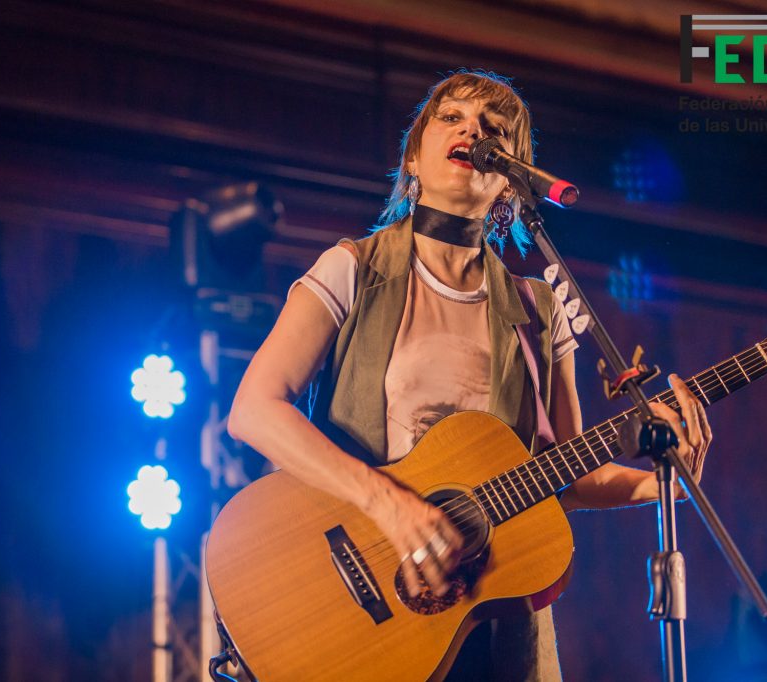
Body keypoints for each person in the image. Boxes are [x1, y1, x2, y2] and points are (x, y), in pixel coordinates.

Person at [227, 69, 712, 681]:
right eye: (451, 117)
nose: (471, 130)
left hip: (486, 620)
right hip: (359, 596)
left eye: (493, 128)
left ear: (510, 179)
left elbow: (566, 470)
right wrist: (391, 506)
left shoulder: (539, 308)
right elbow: (254, 409)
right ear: (415, 155)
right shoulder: (353, 268)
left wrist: (660, 483)